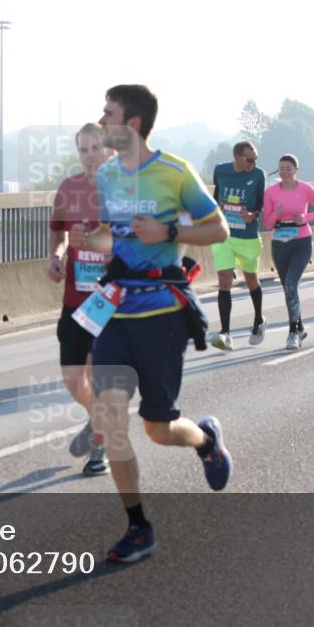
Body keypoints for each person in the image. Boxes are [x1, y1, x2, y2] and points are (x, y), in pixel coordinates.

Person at [68, 85, 232, 564]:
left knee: (159, 428)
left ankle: (205, 440)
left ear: (133, 123)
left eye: (109, 113)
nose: (102, 121)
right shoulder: (108, 175)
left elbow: (219, 228)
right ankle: (138, 527)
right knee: (111, 419)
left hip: (162, 313)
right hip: (116, 311)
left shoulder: (175, 173)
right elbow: (111, 239)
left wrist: (170, 231)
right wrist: (89, 240)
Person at [48, 122, 111, 476]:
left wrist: (98, 242)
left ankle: (100, 445)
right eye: (84, 150)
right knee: (73, 378)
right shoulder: (68, 188)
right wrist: (55, 257)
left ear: (109, 149)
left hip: (110, 298)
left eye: (96, 148)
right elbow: (57, 232)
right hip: (74, 296)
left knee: (95, 371)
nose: (90, 156)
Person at [262, 155, 314, 351]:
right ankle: (299, 327)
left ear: (296, 170)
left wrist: (305, 217)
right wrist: (276, 214)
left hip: (301, 242)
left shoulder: (305, 189)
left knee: (291, 283)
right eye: (281, 168)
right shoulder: (271, 192)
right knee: (288, 288)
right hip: (279, 242)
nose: (284, 172)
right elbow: (267, 223)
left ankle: (292, 333)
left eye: (288, 168)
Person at [209, 141, 267, 350]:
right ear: (237, 158)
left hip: (247, 237)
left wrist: (253, 214)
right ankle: (225, 333)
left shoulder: (258, 175)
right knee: (224, 279)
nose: (254, 163)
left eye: (255, 159)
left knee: (251, 278)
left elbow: (260, 201)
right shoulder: (220, 170)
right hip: (224, 235)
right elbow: (217, 195)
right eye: (249, 160)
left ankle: (259, 320)